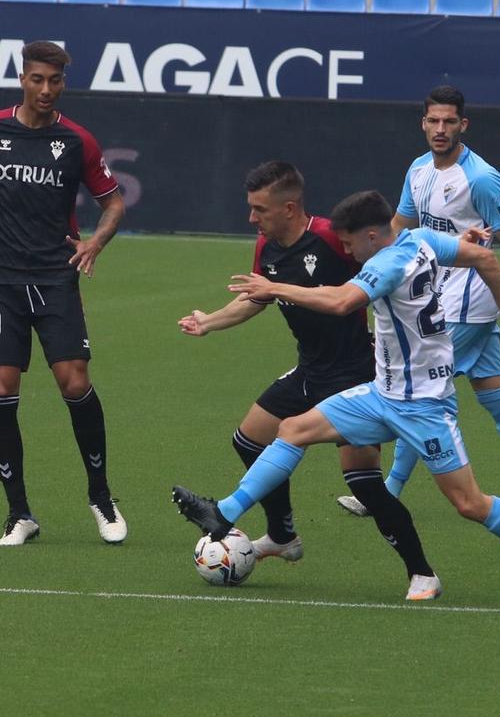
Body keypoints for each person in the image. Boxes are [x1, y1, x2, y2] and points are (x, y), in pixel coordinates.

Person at [173, 190, 500, 608]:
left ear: (372, 235)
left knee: (469, 503)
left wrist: (276, 286)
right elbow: (482, 257)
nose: (347, 250)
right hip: (381, 394)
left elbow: (339, 302)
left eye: (349, 242)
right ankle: (222, 512)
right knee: (293, 428)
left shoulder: (389, 263)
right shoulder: (421, 238)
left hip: (425, 406)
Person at [178, 161, 443, 599]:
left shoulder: (330, 240)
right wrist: (210, 322)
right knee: (248, 439)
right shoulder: (266, 246)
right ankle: (282, 536)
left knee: (363, 483)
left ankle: (422, 572)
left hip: (356, 375)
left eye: (259, 209)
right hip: (310, 371)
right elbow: (257, 297)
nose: (252, 218)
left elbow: (387, 263)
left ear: (289, 207)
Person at [0, 40, 130, 547]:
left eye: (55, 81)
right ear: (22, 79)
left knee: (74, 382)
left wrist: (96, 242)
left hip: (55, 276)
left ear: (63, 83)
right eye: (37, 79)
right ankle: (19, 513)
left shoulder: (77, 142)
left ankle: (100, 496)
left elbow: (113, 203)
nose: (46, 89)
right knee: (1, 387)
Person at [349, 86, 500, 520]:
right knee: (494, 395)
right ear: (423, 123)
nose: (440, 129)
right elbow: (399, 229)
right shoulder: (418, 170)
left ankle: (386, 491)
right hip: (435, 295)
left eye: (449, 122)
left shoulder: (481, 178)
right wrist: (373, 270)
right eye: (433, 121)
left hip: (470, 302)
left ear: (463, 125)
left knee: (416, 393)